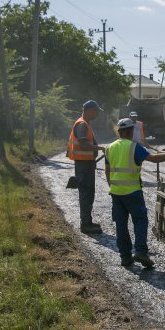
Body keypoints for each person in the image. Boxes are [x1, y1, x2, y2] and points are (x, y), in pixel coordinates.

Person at [105, 118, 165, 267]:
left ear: (119, 131)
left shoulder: (109, 148)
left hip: (116, 193)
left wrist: (113, 187)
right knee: (140, 221)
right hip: (133, 192)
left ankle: (125, 257)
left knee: (121, 225)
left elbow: (107, 171)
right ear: (130, 131)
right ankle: (140, 252)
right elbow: (154, 159)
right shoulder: (134, 147)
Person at [67, 100, 106, 234]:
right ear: (89, 110)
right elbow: (83, 145)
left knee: (89, 193)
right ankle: (85, 224)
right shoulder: (82, 125)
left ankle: (88, 221)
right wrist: (100, 148)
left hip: (86, 163)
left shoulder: (85, 124)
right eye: (96, 111)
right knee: (85, 193)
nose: (97, 114)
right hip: (83, 165)